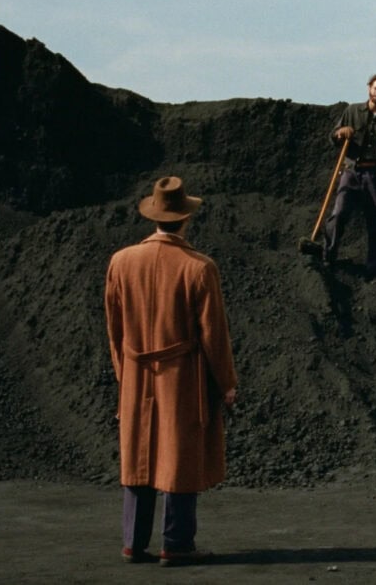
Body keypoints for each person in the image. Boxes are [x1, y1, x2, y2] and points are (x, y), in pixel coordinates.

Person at [104, 176, 239, 565]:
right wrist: (226, 383)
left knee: (138, 453)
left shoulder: (121, 261)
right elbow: (214, 334)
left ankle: (133, 542)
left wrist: (125, 372)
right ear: (185, 218)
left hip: (135, 371)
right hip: (181, 376)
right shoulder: (199, 267)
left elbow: (114, 330)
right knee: (179, 454)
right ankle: (176, 544)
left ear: (154, 217)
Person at [321, 73, 376, 280]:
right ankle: (327, 258)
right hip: (351, 172)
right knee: (339, 214)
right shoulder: (352, 111)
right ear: (369, 88)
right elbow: (332, 137)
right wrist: (341, 132)